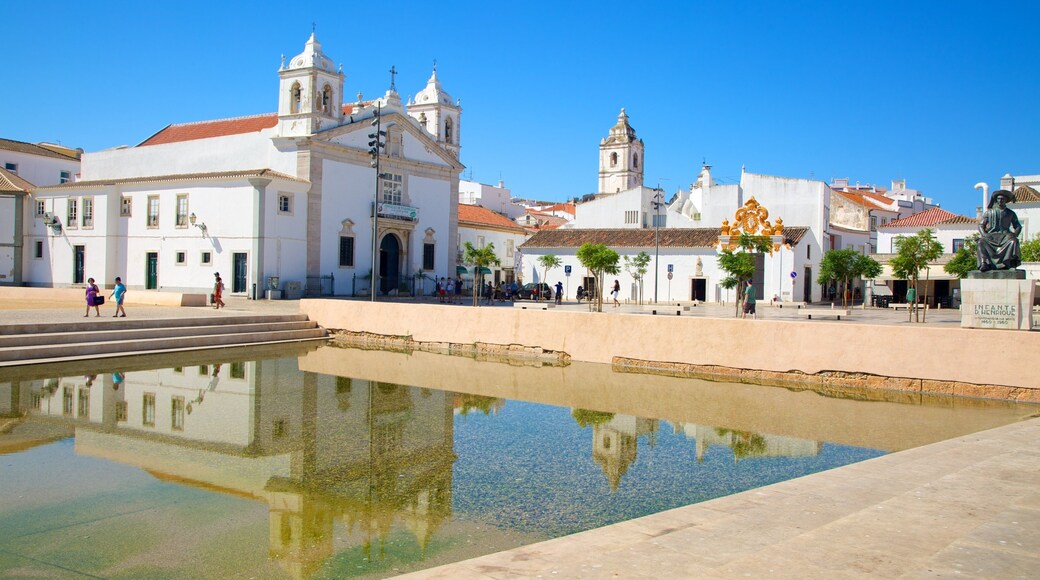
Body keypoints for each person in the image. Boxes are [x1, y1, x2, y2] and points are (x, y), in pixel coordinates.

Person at [977, 189, 1022, 272]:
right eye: (999, 199)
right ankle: (984, 263)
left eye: (1002, 199)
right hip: (991, 236)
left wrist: (1014, 234)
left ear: (1005, 200)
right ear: (996, 200)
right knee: (981, 241)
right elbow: (981, 225)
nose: (1000, 200)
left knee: (1014, 241)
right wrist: (984, 234)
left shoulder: (1010, 213)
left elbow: (1018, 226)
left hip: (1005, 236)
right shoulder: (989, 212)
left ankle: (1009, 263)